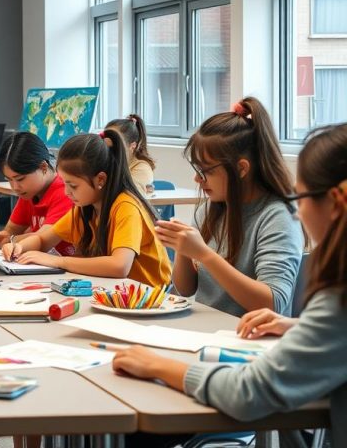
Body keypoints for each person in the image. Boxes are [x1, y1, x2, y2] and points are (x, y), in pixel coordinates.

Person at [112, 123, 347, 448]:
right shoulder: (215, 209)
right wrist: (298, 326)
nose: (299, 211)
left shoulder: (277, 217)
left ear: (335, 201)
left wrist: (159, 366)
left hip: (231, 360)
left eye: (302, 196)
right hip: (209, 343)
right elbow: (185, 289)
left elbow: (251, 390)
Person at [158, 98, 302, 317]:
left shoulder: (277, 216)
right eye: (197, 169)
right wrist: (183, 249)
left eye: (207, 171)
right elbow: (186, 289)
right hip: (207, 330)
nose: (197, 179)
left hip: (251, 340)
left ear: (241, 168)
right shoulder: (211, 207)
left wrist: (204, 254)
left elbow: (273, 303)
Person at [3, 130, 171, 287]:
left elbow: (120, 266)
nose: (67, 192)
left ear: (100, 180)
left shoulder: (126, 207)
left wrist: (59, 261)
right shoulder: (83, 208)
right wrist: (20, 247)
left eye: (73, 186)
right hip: (115, 291)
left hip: (151, 298)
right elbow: (43, 239)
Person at [0, 131, 75, 257]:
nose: (15, 187)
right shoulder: (29, 192)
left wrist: (7, 240)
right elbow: (10, 232)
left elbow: (41, 239)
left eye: (20, 179)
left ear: (43, 167)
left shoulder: (65, 192)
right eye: (9, 179)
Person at [106, 114, 155, 196]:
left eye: (115, 142)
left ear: (132, 146)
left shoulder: (142, 168)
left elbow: (126, 194)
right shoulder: (106, 163)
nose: (108, 147)